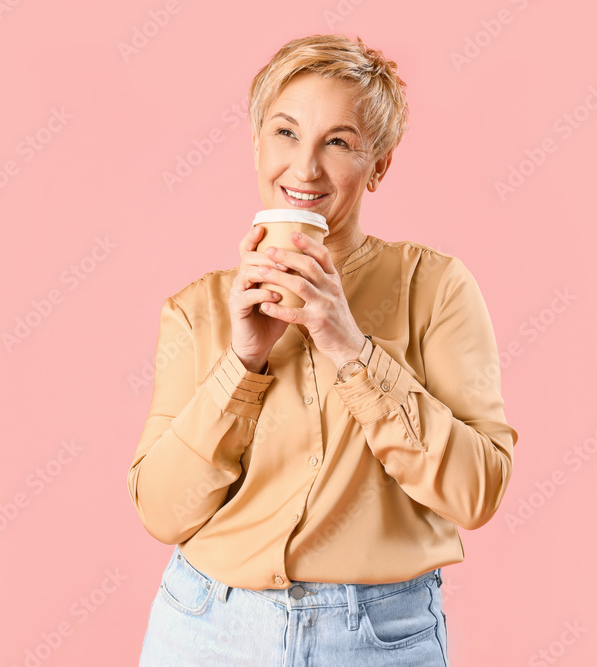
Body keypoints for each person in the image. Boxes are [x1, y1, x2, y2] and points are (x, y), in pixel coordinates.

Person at [127, 33, 518, 666]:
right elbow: (162, 512)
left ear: (379, 164)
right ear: (257, 145)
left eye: (338, 142)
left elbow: (476, 492)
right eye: (284, 133)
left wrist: (350, 346)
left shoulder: (436, 288)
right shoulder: (196, 310)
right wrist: (242, 363)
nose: (305, 169)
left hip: (380, 639)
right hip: (206, 630)